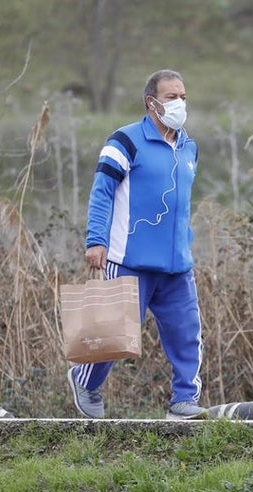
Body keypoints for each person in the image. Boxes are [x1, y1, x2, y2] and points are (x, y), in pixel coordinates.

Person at [67, 68, 207, 420]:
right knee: (112, 337)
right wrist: (96, 240)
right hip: (128, 258)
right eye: (172, 97)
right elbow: (102, 193)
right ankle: (86, 382)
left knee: (187, 334)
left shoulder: (189, 147)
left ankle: (184, 399)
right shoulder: (124, 141)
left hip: (177, 264)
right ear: (152, 102)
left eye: (184, 97)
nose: (180, 103)